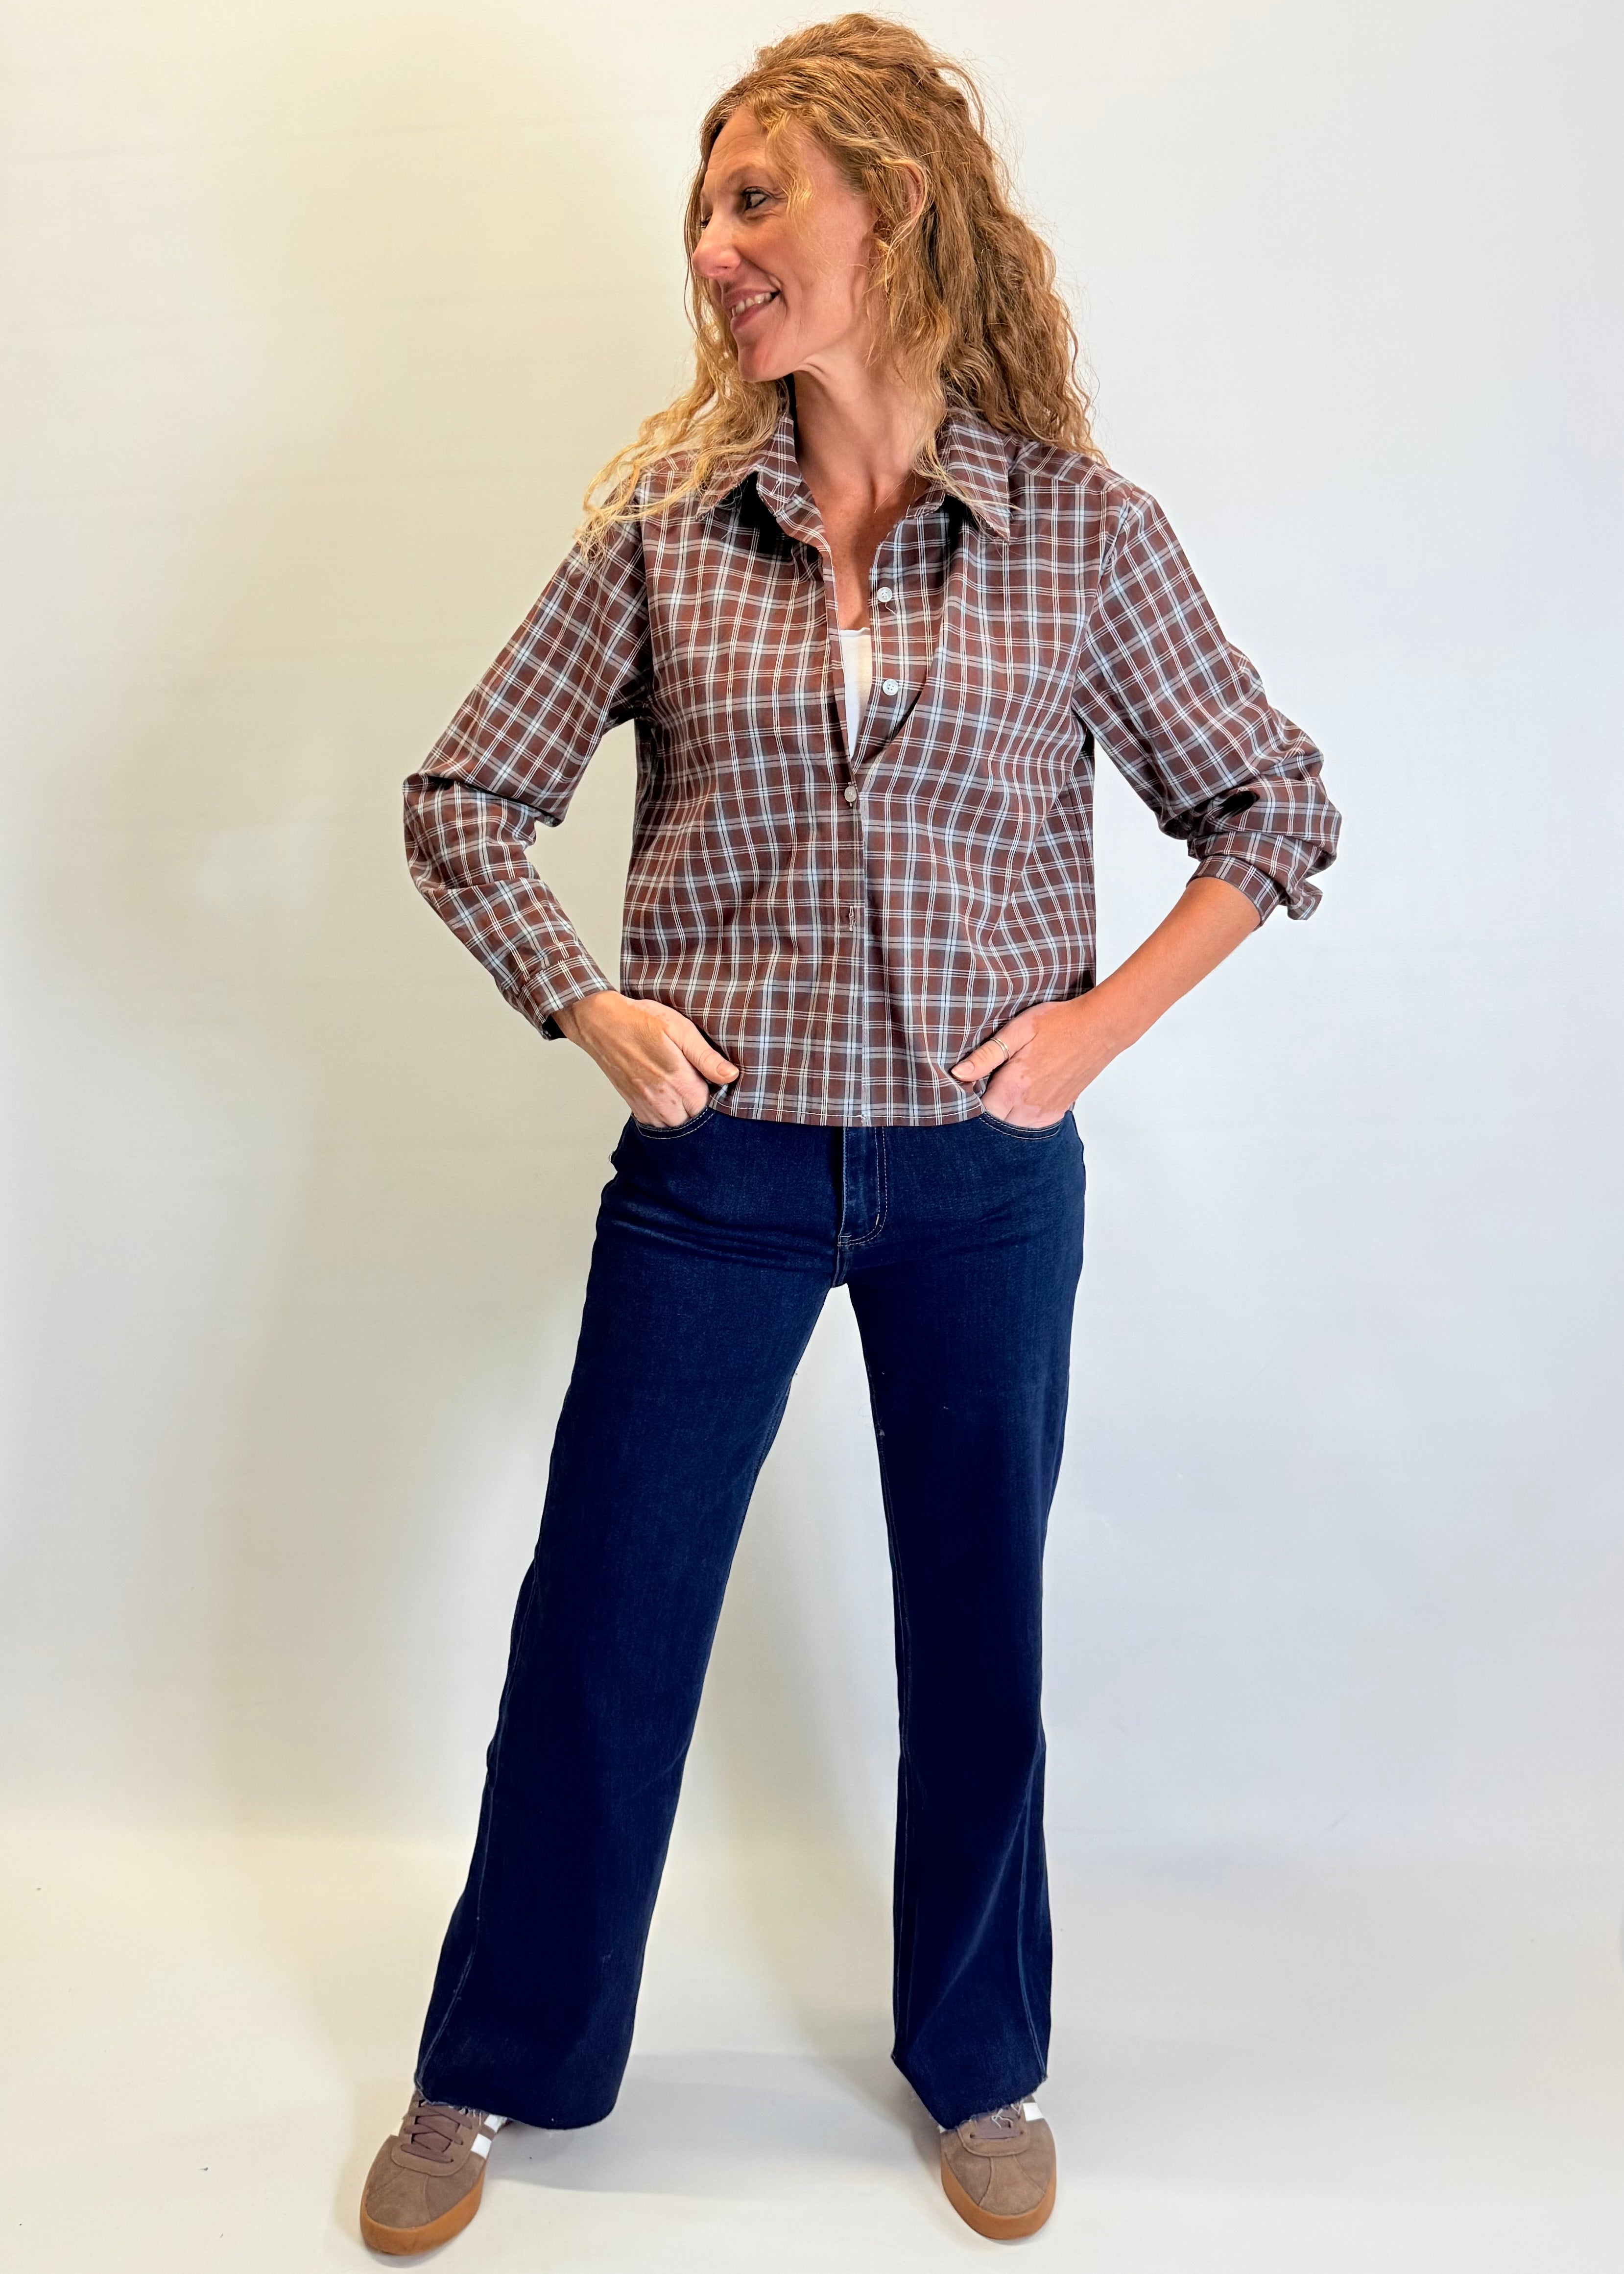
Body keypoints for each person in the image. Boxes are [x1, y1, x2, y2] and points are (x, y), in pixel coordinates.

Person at [358, 12, 1340, 2252]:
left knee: (974, 1626)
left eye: (752, 197)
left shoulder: (1083, 534)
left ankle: (981, 2062)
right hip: (715, 1185)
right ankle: (490, 2067)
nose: (712, 248)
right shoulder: (659, 537)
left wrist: (1094, 1028)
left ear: (886, 204)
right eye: (701, 209)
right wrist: (581, 999)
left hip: (985, 1188)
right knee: (603, 1617)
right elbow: (463, 798)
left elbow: (1273, 807)